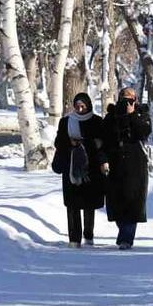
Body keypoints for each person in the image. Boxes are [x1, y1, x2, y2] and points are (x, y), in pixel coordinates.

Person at [53, 92, 107, 247]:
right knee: (72, 204)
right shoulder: (66, 121)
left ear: (88, 105)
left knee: (89, 203)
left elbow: (101, 144)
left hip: (91, 168)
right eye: (77, 106)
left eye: (83, 106)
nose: (80, 109)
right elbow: (58, 142)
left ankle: (88, 234)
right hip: (71, 167)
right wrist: (70, 142)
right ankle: (74, 238)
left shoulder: (97, 121)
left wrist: (88, 146)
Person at [102, 87, 151, 250]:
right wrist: (103, 160)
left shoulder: (142, 114)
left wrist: (132, 115)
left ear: (136, 99)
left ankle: (126, 238)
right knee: (117, 202)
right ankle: (124, 231)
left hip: (135, 164)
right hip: (115, 163)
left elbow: (143, 133)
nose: (127, 101)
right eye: (124, 98)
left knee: (133, 201)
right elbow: (104, 140)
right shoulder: (111, 116)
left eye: (131, 98)